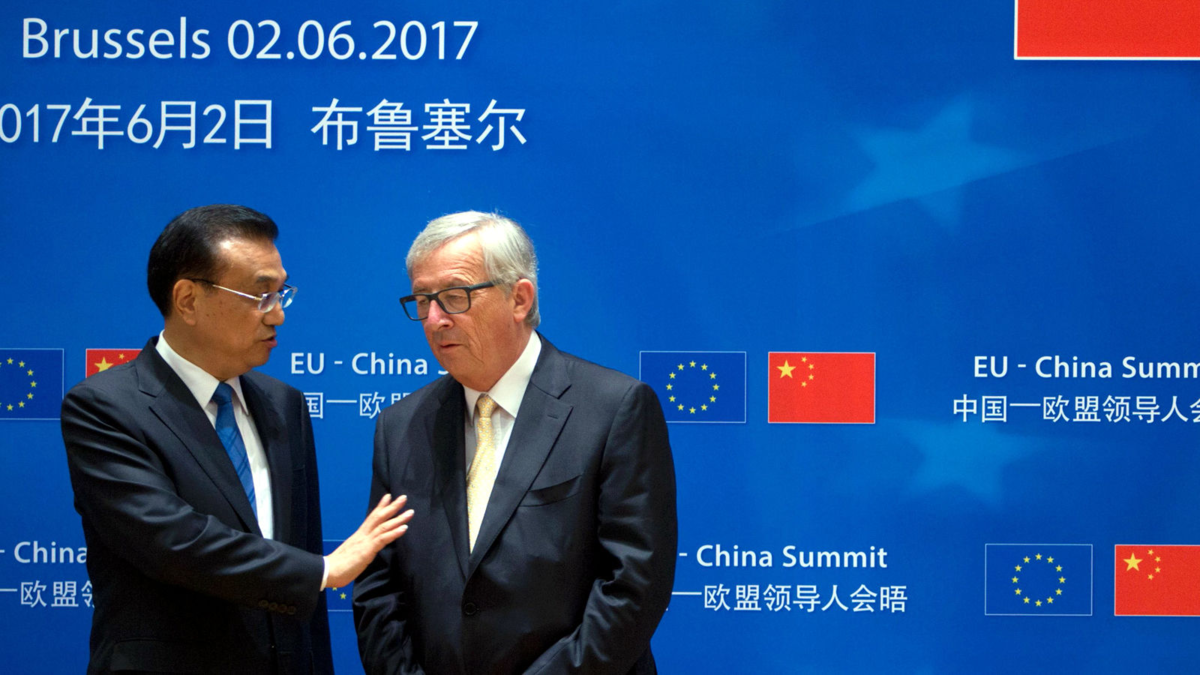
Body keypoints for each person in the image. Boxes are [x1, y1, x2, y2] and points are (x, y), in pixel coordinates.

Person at [61, 204, 413, 674]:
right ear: (188, 299)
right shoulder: (106, 406)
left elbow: (300, 563)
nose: (278, 315)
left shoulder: (284, 404)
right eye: (261, 295)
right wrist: (324, 571)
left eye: (281, 293)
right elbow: (171, 540)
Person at [353, 211, 677, 674]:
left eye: (455, 297)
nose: (435, 320)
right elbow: (379, 588)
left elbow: (633, 587)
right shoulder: (400, 425)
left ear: (519, 298)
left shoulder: (613, 409)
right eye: (423, 301)